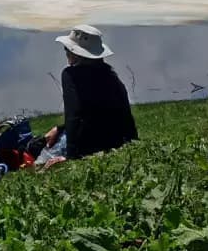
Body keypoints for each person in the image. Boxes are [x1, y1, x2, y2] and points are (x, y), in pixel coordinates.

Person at [42, 25, 138, 166]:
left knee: (38, 153)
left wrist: (70, 157)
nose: (66, 53)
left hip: (88, 148)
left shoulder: (70, 75)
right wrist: (60, 128)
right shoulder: (112, 77)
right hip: (115, 143)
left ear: (75, 54)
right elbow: (99, 116)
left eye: (67, 50)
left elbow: (74, 116)